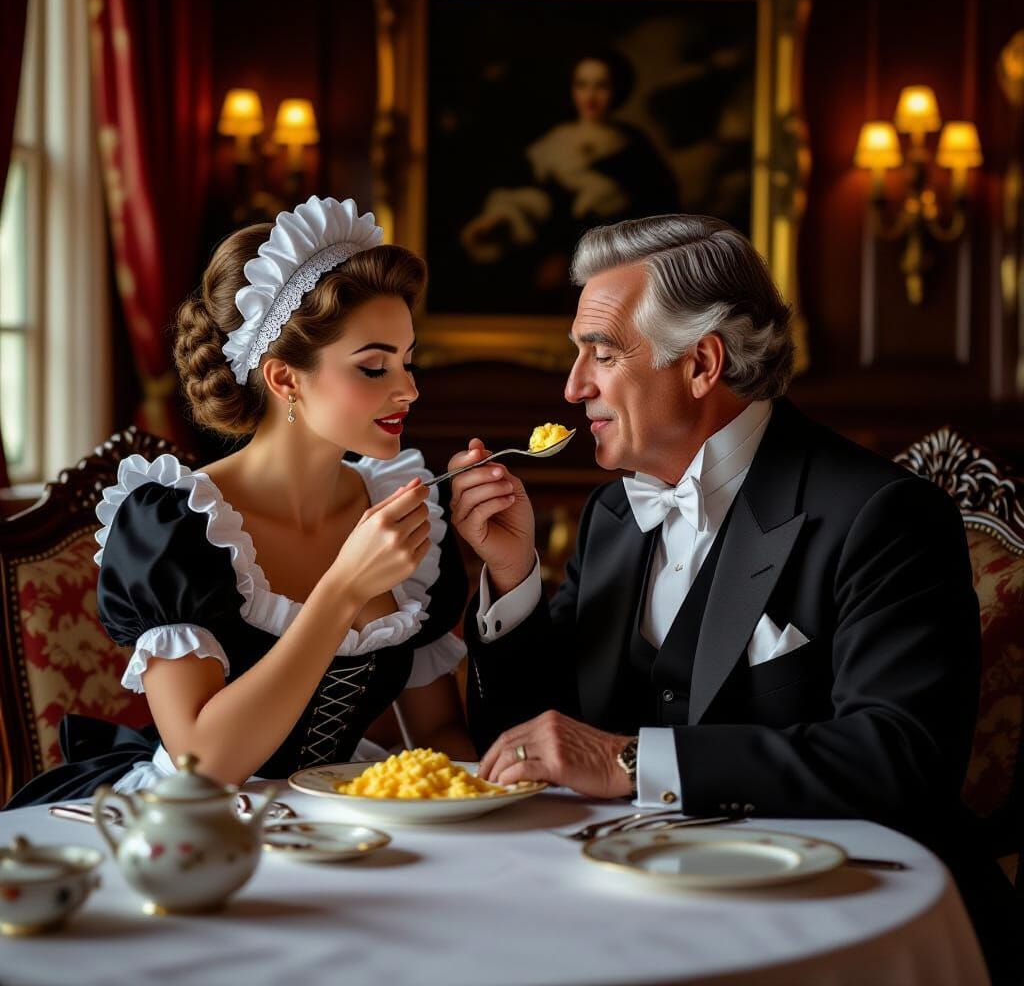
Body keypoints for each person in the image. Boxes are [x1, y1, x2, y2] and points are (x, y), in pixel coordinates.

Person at [449, 214, 1019, 981]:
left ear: (702, 364)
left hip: (834, 922)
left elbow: (899, 761)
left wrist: (628, 758)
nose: (573, 386)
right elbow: (532, 742)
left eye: (603, 354)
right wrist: (514, 581)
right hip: (622, 909)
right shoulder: (614, 516)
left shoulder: (881, 515)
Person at [6, 195, 471, 806]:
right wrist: (341, 591)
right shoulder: (172, 523)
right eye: (373, 367)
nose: (408, 388)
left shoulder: (406, 512)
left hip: (341, 825)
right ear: (284, 379)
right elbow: (205, 763)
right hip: (192, 827)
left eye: (407, 361)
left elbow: (437, 732)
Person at [458, 49, 678, 310]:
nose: (591, 96)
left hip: (619, 276)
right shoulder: (552, 144)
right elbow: (529, 199)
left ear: (617, 90)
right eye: (582, 85)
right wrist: (500, 220)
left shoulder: (634, 145)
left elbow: (658, 210)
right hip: (552, 272)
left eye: (601, 86)